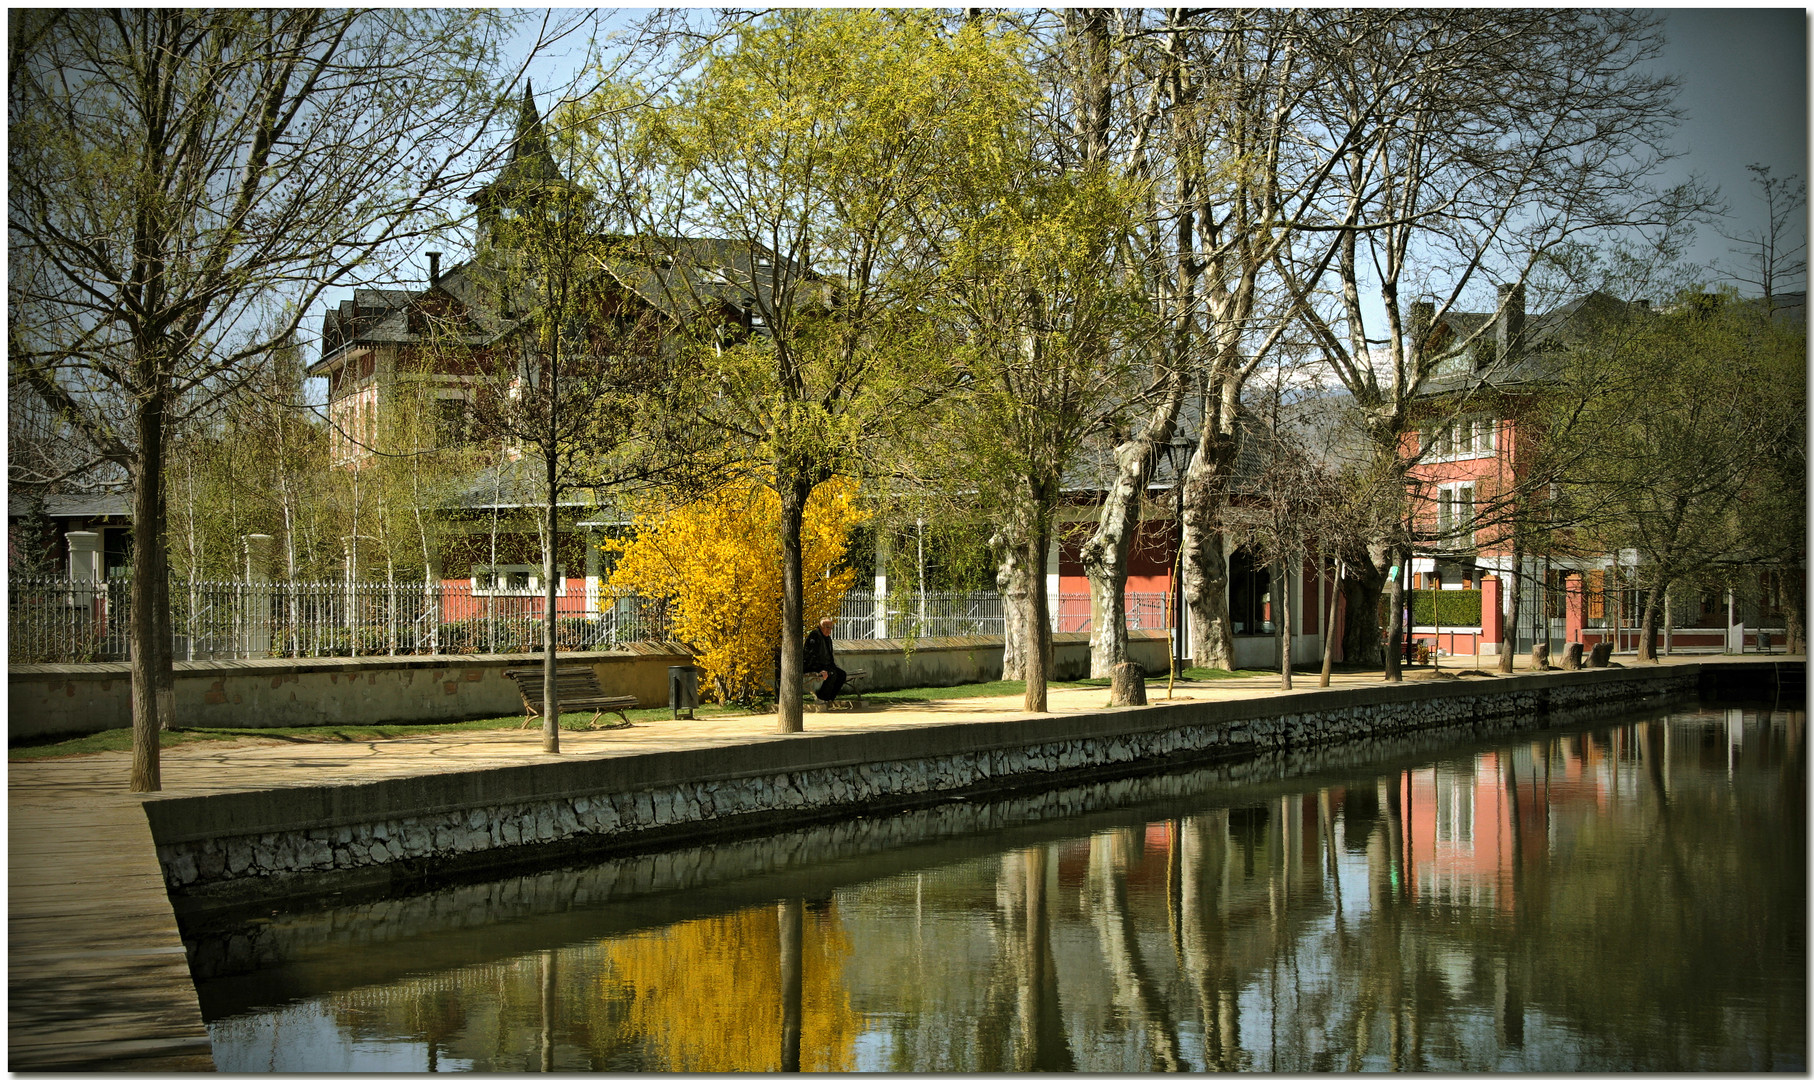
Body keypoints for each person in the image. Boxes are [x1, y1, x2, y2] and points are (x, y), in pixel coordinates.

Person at [803, 616, 846, 703]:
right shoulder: (814, 636)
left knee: (842, 674)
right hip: (813, 666)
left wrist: (832, 666)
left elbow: (829, 656)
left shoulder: (828, 638)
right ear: (820, 626)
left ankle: (830, 699)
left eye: (831, 628)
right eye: (827, 627)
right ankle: (821, 698)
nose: (829, 630)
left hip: (826, 666)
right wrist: (820, 670)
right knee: (832, 674)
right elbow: (811, 656)